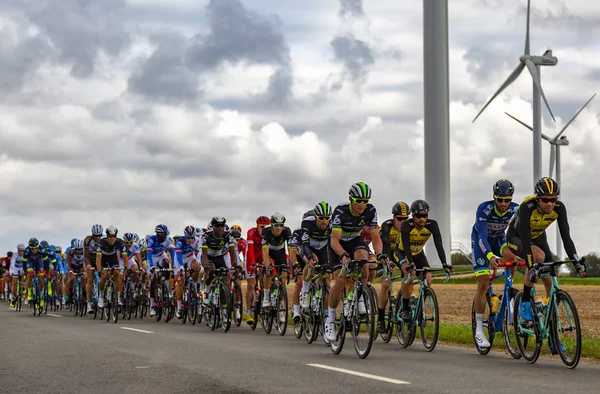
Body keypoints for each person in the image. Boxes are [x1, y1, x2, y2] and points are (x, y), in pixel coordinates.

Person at [506, 177, 585, 324]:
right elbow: (525, 237)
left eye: (553, 199)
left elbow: (566, 238)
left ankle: (551, 327)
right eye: (545, 200)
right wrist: (531, 268)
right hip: (517, 237)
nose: (550, 204)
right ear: (537, 198)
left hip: (538, 237)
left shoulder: (559, 208)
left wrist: (577, 263)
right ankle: (525, 302)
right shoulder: (527, 207)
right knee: (538, 257)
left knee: (551, 279)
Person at [325, 182, 385, 341]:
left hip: (354, 239)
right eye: (359, 201)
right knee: (340, 279)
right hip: (337, 243)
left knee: (364, 260)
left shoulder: (370, 210)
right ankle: (330, 320)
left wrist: (380, 255)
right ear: (351, 198)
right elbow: (334, 241)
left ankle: (360, 298)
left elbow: (376, 237)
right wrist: (343, 255)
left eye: (365, 201)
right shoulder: (341, 211)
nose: (362, 204)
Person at [471, 179, 519, 348]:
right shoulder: (484, 208)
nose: (504, 204)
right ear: (494, 197)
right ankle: (478, 328)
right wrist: (490, 256)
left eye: (507, 200)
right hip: (481, 242)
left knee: (512, 258)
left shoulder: (515, 209)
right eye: (500, 199)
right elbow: (482, 237)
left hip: (499, 239)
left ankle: (507, 289)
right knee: (483, 283)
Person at [398, 199, 453, 322]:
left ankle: (418, 304)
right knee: (410, 275)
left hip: (418, 253)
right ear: (413, 216)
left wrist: (444, 263)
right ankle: (405, 309)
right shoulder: (407, 225)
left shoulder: (432, 224)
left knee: (428, 279)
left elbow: (439, 245)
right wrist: (411, 263)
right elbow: (406, 247)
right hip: (403, 253)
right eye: (418, 216)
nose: (422, 219)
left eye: (424, 216)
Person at [377, 201, 410, 333]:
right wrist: (387, 261)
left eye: (405, 219)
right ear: (393, 218)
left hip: (399, 255)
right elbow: (385, 244)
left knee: (409, 277)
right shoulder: (387, 226)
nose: (402, 221)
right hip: (385, 255)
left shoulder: (409, 228)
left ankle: (402, 303)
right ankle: (380, 319)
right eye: (399, 219)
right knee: (385, 285)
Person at [244, 216, 270, 324]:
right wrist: (252, 264)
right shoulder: (251, 232)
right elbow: (250, 251)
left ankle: (264, 303)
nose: (263, 229)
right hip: (252, 256)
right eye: (261, 227)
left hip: (262, 256)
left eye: (266, 227)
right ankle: (249, 313)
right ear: (257, 226)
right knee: (251, 285)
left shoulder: (269, 234)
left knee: (265, 282)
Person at [96, 226, 126, 308]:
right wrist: (99, 270)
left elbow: (125, 257)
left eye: (114, 236)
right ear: (106, 236)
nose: (112, 239)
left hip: (113, 257)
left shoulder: (120, 242)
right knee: (104, 275)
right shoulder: (101, 242)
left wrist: (125, 268)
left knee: (116, 273)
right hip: (103, 258)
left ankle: (119, 297)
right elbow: (98, 258)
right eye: (110, 236)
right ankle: (101, 296)